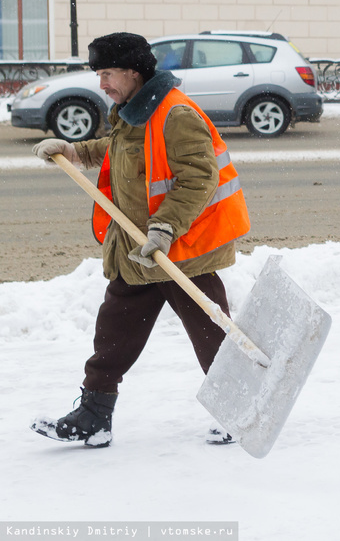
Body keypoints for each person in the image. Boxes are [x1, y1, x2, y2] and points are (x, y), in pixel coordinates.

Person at [30, 32, 251, 448]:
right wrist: (75, 152)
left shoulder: (175, 114)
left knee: (211, 332)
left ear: (133, 72)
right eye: (100, 74)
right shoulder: (135, 110)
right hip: (140, 251)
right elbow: (120, 148)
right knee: (113, 330)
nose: (103, 84)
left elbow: (198, 179)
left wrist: (164, 228)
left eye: (108, 73)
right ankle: (95, 416)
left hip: (183, 250)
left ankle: (240, 409)